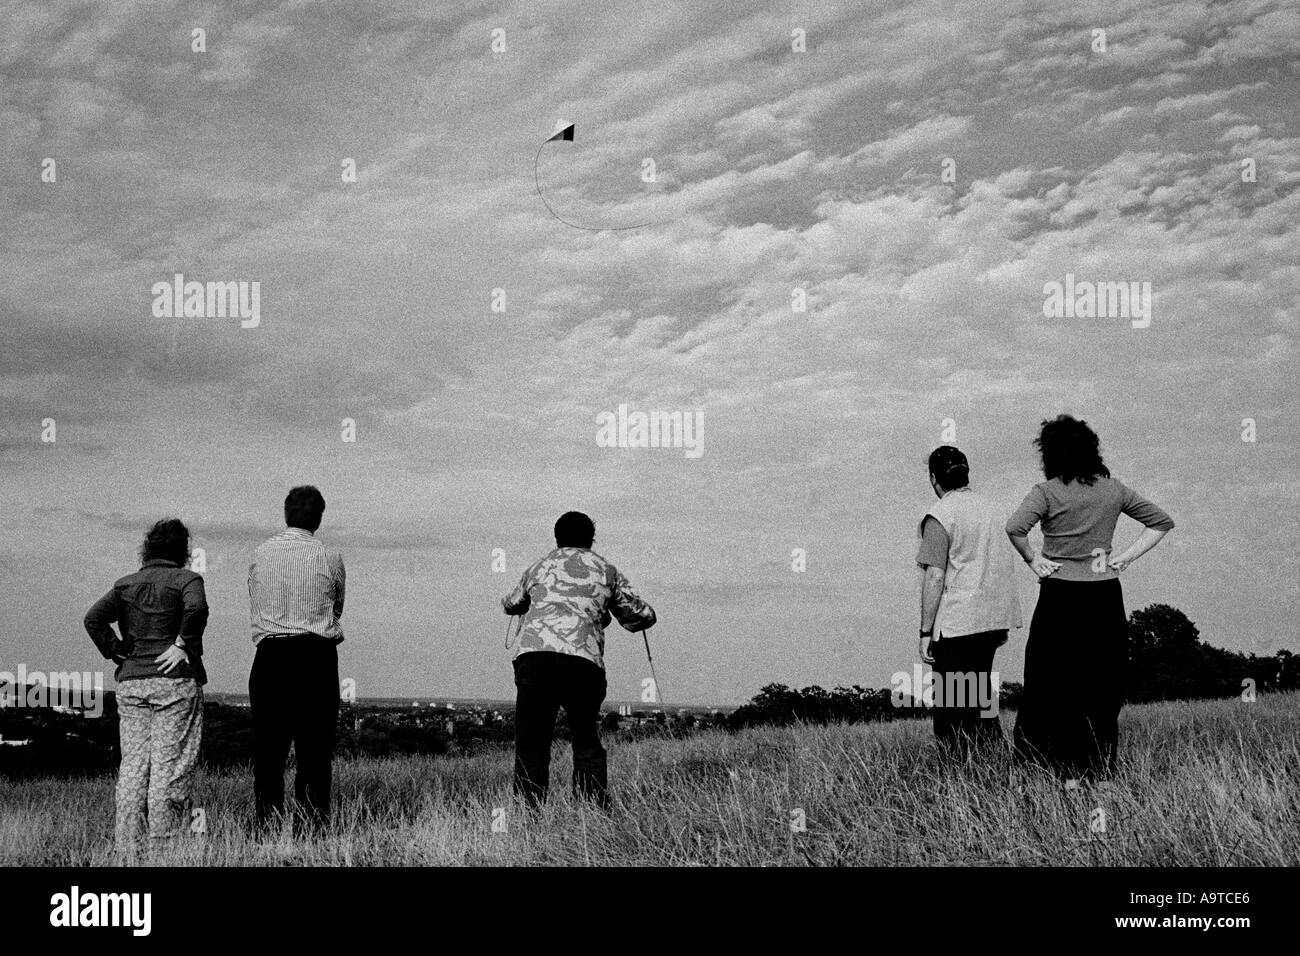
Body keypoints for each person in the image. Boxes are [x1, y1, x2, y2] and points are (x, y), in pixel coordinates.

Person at [1006, 415, 1174, 782]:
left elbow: (1014, 528)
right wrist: (1125, 557)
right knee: (1101, 684)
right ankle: (1095, 769)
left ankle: (1041, 767)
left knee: (1047, 682)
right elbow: (1162, 522)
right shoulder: (1114, 490)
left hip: (1059, 596)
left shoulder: (1046, 491)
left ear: (1049, 453)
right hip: (1104, 596)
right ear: (1091, 448)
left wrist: (1034, 560)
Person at [501, 511, 656, 809]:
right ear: (591, 540)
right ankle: (591, 810)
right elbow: (638, 615)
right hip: (582, 665)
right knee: (585, 739)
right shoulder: (606, 570)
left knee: (531, 744)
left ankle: (528, 813)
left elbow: (512, 604)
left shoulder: (537, 568)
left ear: (557, 538)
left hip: (535, 662)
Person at [84, 518, 208, 855]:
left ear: (148, 548)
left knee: (134, 767)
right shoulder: (188, 579)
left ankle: (128, 844)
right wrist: (181, 644)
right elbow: (197, 608)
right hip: (174, 682)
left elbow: (93, 619)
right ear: (183, 550)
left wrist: (116, 649)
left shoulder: (125, 585)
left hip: (132, 682)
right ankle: (165, 846)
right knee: (171, 767)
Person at [248, 485, 345, 832]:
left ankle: (267, 827)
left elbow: (255, 599)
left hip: (271, 656)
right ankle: (312, 828)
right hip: (315, 656)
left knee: (268, 753)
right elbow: (337, 608)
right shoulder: (330, 556)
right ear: (319, 517)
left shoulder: (260, 553)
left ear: (285, 513)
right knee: (315, 752)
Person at [916, 446, 1023, 758]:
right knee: (979, 700)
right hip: (991, 621)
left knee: (951, 711)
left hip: (957, 623)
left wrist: (925, 633)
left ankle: (958, 778)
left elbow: (935, 577)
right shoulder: (993, 508)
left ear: (934, 479)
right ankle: (992, 765)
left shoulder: (940, 514)